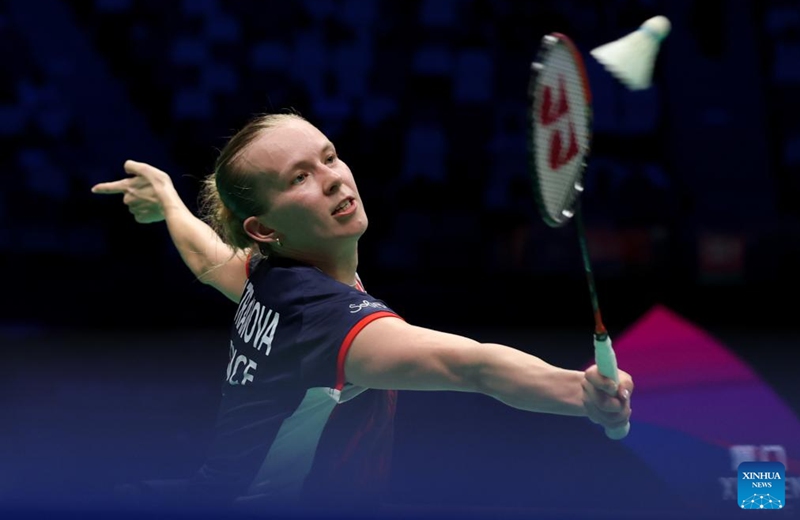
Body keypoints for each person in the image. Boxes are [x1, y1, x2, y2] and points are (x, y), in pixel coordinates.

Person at [92, 111, 633, 516]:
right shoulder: (325, 318)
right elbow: (470, 365)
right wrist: (577, 393)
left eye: (328, 157)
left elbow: (210, 259)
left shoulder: (270, 276)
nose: (331, 178)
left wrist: (167, 200)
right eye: (298, 178)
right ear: (263, 228)